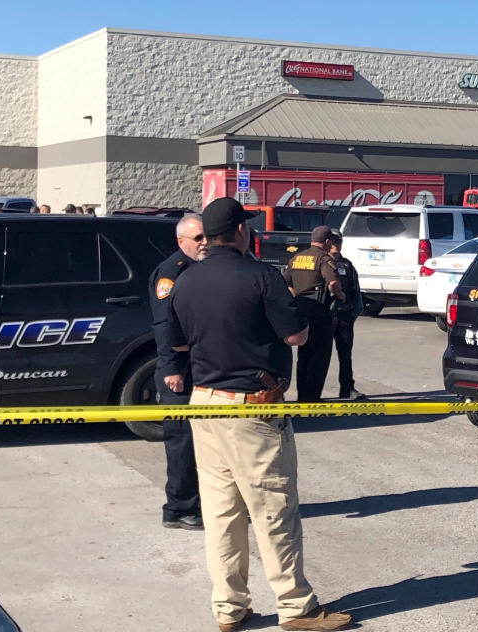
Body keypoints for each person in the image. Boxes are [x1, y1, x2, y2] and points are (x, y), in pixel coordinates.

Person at [166, 198, 352, 632]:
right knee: (272, 508)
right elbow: (298, 334)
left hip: (204, 403)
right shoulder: (260, 276)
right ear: (239, 232)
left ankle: (229, 608)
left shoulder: (185, 281)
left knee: (221, 514)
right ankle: (296, 606)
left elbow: (177, 345)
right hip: (252, 408)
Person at [149, 213, 208, 531]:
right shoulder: (171, 273)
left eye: (206, 236)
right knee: (182, 441)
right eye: (198, 238)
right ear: (181, 241)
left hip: (199, 365)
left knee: (200, 439)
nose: (204, 242)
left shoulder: (200, 269)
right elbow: (164, 324)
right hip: (178, 370)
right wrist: (171, 367)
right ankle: (179, 508)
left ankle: (196, 502)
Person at [282, 225, 345, 402]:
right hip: (320, 313)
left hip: (301, 311)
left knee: (304, 356)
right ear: (326, 242)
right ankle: (312, 398)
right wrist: (341, 295)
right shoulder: (324, 259)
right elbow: (332, 283)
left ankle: (302, 396)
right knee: (319, 357)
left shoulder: (296, 258)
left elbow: (286, 282)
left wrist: (297, 298)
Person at [327, 230, 365, 400]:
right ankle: (312, 393)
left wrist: (353, 314)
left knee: (345, 354)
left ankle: (347, 388)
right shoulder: (321, 262)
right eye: (334, 240)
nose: (337, 244)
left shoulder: (347, 265)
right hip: (325, 317)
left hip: (344, 316)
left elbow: (356, 291)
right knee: (320, 355)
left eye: (339, 241)